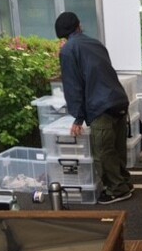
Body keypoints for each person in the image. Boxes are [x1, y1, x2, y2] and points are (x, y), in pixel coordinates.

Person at [55, 11, 134, 204]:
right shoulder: (95, 43)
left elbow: (73, 85)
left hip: (100, 105)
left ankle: (116, 190)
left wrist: (78, 117)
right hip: (118, 99)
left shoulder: (68, 50)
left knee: (103, 152)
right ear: (78, 25)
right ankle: (124, 182)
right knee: (117, 147)